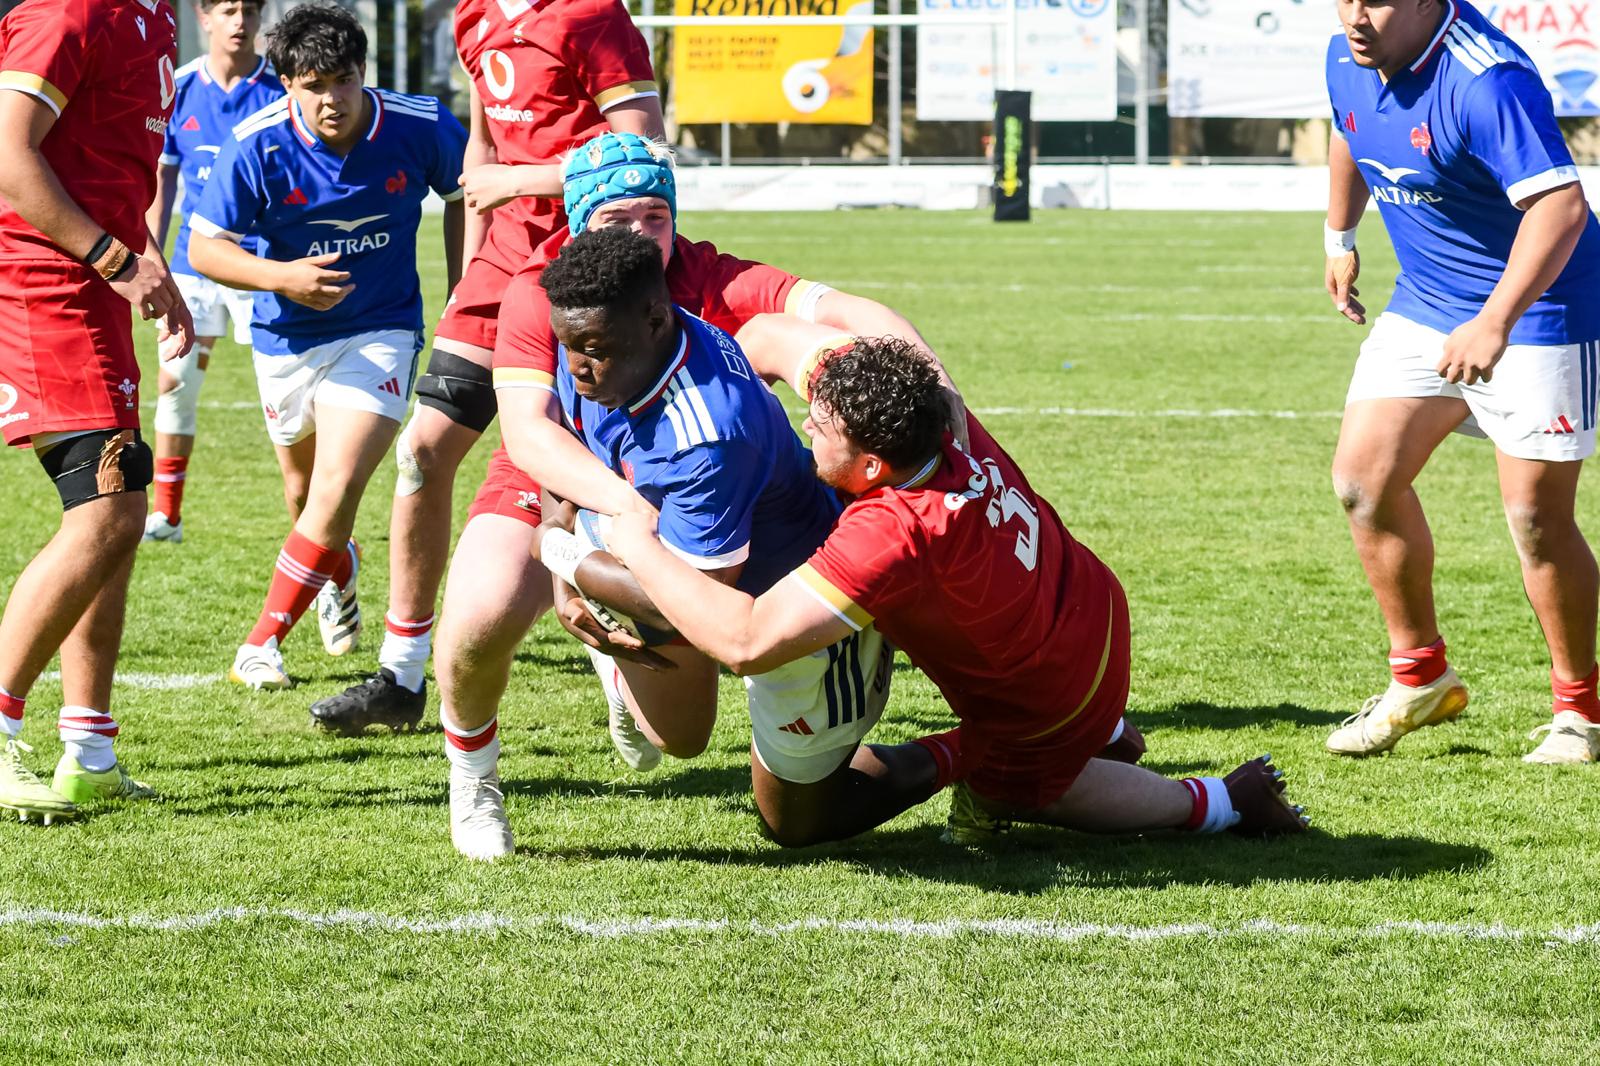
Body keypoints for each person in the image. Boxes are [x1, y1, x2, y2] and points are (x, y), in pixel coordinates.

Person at [431, 133, 983, 861]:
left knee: (718, 760)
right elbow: (533, 435)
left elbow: (843, 311)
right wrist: (585, 530)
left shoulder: (709, 297)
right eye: (616, 218)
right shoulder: (557, 292)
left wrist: (939, 388)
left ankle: (1017, 739)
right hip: (576, 470)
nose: (639, 235)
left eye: (655, 215)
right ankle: (472, 781)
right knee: (477, 621)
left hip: (703, 502)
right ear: (576, 224)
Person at [604, 323, 1310, 846]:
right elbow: (763, 333)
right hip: (1086, 603)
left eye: (817, 429)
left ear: (873, 467)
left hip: (1052, 696)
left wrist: (631, 542)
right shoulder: (919, 411)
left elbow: (747, 641)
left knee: (1024, 794)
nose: (803, 428)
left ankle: (1224, 800)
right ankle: (1098, 732)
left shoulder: (897, 530)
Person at [308, 0, 662, 728]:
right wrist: (471, 272)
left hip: (587, 267)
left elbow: (646, 151)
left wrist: (523, 181)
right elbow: (481, 156)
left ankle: (628, 644)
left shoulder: (591, 14)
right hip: (500, 265)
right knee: (421, 453)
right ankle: (402, 678)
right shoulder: (472, 15)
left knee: (588, 470)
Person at [1322, 0, 1600, 763]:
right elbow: (1350, 129)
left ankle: (1579, 710)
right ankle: (1421, 679)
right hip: (1425, 303)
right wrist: (1339, 237)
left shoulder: (1487, 80)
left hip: (1540, 307)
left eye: (1372, 0)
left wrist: (1496, 321)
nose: (1353, 15)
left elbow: (1561, 205)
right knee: (1362, 482)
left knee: (1536, 521)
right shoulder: (1349, 53)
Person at [186, 1, 466, 690]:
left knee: (338, 486)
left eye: (343, 80)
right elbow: (201, 248)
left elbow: (469, 194)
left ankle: (260, 643)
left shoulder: (418, 123)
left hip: (381, 330)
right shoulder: (255, 144)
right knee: (305, 494)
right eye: (313, 86)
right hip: (284, 337)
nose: (332, 99)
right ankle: (338, 573)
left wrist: (465, 288)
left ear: (362, 72)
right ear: (288, 86)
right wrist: (283, 277)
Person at [0, 0, 193, 821]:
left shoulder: (155, 17)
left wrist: (147, 261)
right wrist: (114, 256)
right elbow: (9, 157)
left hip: (96, 283)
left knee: (116, 504)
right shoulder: (69, 9)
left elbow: (111, 170)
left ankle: (89, 748)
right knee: (111, 507)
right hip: (45, 283)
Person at [142, 0, 283, 544]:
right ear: (203, 18)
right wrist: (152, 256)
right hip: (191, 269)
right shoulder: (177, 87)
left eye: (250, 9)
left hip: (260, 268)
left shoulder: (282, 85)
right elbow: (162, 183)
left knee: (282, 395)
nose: (240, 20)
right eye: (228, 9)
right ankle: (167, 515)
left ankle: (308, 517)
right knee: (175, 383)